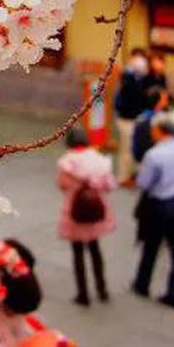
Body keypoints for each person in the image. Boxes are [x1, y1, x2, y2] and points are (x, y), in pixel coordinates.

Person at [132, 113, 174, 310]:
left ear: (160, 132)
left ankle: (142, 284)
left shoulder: (154, 155)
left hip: (159, 205)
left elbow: (144, 183)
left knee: (151, 247)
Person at [56, 129, 116, 307]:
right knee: (95, 249)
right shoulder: (100, 160)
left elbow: (62, 185)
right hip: (95, 211)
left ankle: (83, 294)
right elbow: (110, 185)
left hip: (75, 212)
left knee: (78, 253)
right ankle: (102, 289)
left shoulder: (66, 163)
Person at [114, 48, 149, 184]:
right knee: (127, 149)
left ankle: (133, 175)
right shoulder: (128, 76)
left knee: (137, 148)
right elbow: (128, 95)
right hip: (126, 118)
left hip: (138, 117)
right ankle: (123, 177)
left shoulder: (142, 77)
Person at [132, 87, 174, 163]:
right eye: (164, 100)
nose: (166, 102)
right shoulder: (148, 120)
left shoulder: (164, 117)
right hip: (149, 160)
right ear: (157, 102)